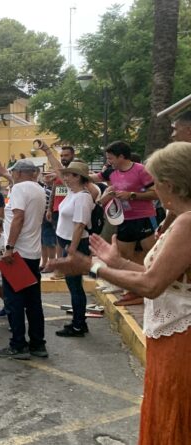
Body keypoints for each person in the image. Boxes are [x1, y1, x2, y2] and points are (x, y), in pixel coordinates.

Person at [49, 142, 191, 445]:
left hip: (181, 339)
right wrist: (118, 262)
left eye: (156, 182)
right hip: (172, 333)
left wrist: (92, 266)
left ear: (169, 183)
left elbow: (152, 285)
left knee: (174, 413)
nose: (153, 189)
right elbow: (161, 277)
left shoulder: (188, 223)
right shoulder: (182, 221)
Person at [90, 141, 158, 306]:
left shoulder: (140, 170)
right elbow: (91, 178)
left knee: (150, 254)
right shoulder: (111, 172)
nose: (108, 161)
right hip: (123, 219)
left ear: (121, 156)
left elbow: (156, 193)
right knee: (123, 255)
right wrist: (65, 174)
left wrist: (132, 195)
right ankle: (131, 288)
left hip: (144, 217)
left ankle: (148, 287)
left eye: (111, 158)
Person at [0, 159, 48, 360]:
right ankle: (38, 344)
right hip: (33, 253)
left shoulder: (18, 190)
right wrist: (4, 174)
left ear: (18, 173)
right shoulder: (38, 189)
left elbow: (18, 217)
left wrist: (9, 248)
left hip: (18, 254)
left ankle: (18, 345)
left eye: (12, 172)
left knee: (14, 301)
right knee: (33, 302)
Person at [51, 161, 96, 337]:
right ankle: (79, 322)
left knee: (75, 285)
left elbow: (79, 226)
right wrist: (47, 151)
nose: (66, 177)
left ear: (78, 177)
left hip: (75, 245)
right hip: (69, 244)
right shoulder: (73, 191)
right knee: (73, 284)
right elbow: (58, 170)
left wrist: (72, 253)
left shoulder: (83, 197)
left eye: (70, 175)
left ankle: (78, 325)